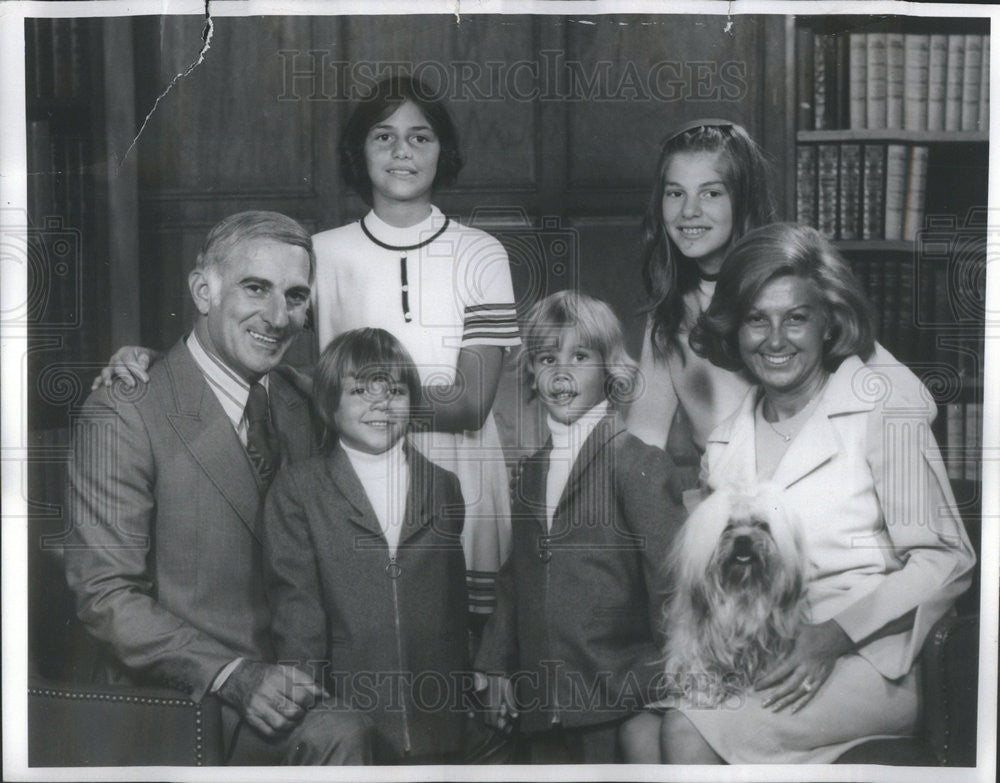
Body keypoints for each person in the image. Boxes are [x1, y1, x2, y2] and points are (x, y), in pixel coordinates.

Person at [93, 76, 520, 630]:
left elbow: (469, 404)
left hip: (462, 475)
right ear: (358, 152)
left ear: (445, 151)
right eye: (383, 137)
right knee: (372, 637)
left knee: (466, 646)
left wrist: (348, 400)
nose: (401, 152)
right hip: (360, 476)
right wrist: (160, 361)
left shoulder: (481, 252)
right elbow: (258, 347)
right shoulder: (320, 252)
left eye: (421, 138)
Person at [643, 223, 976, 763]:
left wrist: (835, 636)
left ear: (830, 322)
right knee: (638, 732)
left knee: (687, 731)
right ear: (734, 329)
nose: (776, 340)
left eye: (796, 317)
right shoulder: (726, 439)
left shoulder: (883, 409)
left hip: (871, 658)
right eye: (757, 319)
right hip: (760, 652)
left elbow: (947, 560)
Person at [64, 212, 373, 765]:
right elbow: (106, 596)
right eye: (256, 288)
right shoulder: (123, 410)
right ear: (203, 290)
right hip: (177, 700)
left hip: (294, 684)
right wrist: (232, 674)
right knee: (343, 734)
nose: (279, 317)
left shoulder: (299, 401)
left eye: (296, 296)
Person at [474, 291, 683, 763]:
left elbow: (672, 583)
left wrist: (674, 686)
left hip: (618, 697)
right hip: (543, 703)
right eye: (548, 357)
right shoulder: (530, 471)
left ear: (611, 369)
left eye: (580, 356)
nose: (562, 372)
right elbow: (517, 577)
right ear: (531, 371)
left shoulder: (638, 464)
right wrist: (494, 665)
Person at [261, 327, 470, 764]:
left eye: (394, 389)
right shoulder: (299, 489)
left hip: (439, 717)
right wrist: (310, 711)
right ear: (328, 403)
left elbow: (453, 605)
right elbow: (297, 610)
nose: (380, 402)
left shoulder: (443, 486)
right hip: (349, 717)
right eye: (359, 390)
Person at [626, 119, 775, 465]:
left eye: (710, 193)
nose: (689, 211)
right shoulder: (670, 311)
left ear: (743, 201)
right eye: (676, 193)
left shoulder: (787, 290)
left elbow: (905, 393)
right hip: (723, 497)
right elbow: (644, 439)